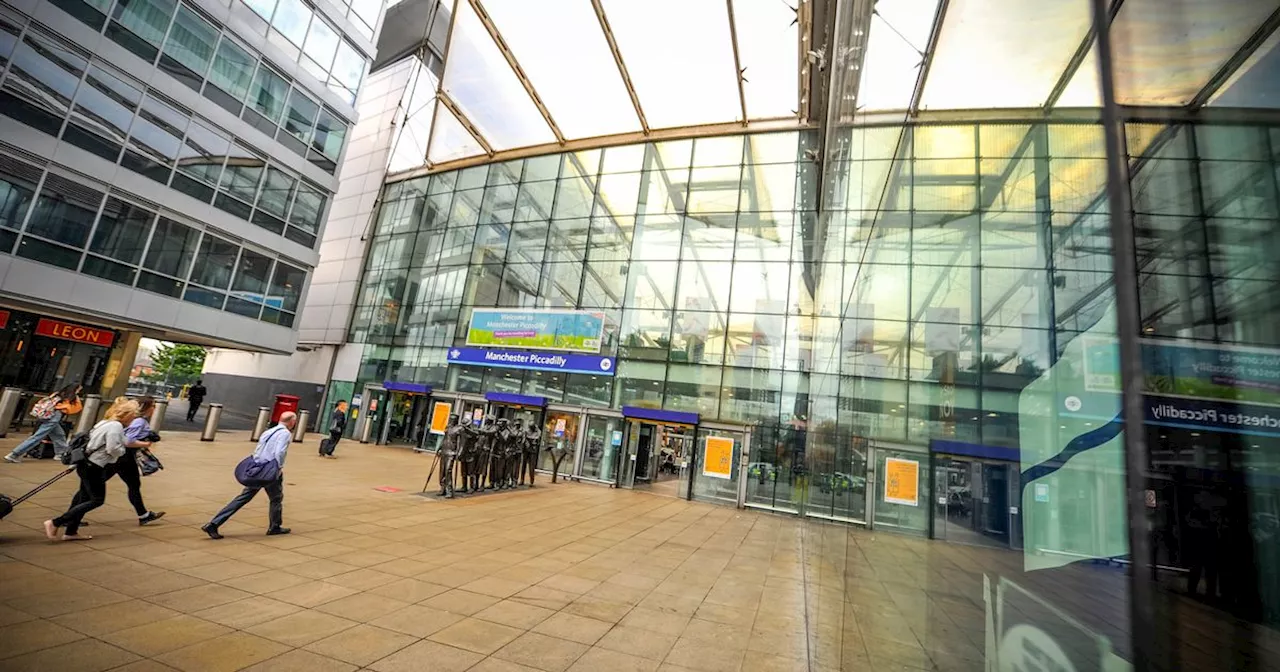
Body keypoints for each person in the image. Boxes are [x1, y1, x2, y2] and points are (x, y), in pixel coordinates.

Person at [43, 398, 139, 541]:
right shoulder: (116, 426)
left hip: (86, 464)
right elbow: (113, 448)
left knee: (84, 497)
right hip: (95, 466)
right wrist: (122, 451)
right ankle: (56, 522)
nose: (134, 419)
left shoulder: (104, 423)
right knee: (97, 499)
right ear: (126, 415)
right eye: (133, 416)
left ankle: (71, 531)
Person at [201, 412, 296, 539]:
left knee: (244, 498)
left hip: (258, 468)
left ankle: (214, 523)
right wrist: (278, 467)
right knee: (276, 498)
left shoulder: (269, 431)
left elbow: (258, 450)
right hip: (270, 471)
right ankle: (274, 526)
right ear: (291, 422)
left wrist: (257, 465)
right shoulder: (285, 434)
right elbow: (280, 452)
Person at [72, 396, 165, 525]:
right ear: (147, 407)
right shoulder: (138, 421)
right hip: (120, 458)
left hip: (121, 458)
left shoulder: (132, 421)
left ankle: (143, 514)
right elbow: (127, 441)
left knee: (133, 485)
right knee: (92, 491)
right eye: (153, 405)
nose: (154, 408)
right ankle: (70, 517)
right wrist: (145, 444)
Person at [5, 384, 83, 463]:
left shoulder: (57, 394)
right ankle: (14, 454)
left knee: (59, 434)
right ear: (75, 389)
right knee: (37, 437)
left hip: (46, 415)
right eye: (79, 390)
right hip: (54, 417)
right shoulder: (71, 397)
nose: (79, 391)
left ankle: (61, 454)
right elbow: (77, 408)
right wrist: (76, 397)